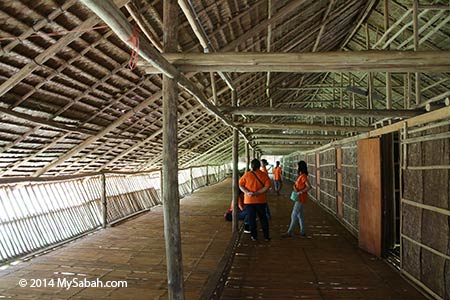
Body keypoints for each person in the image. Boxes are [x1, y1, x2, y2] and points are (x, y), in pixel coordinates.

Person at [239, 159, 271, 241]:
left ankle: (254, 236)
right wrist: (258, 193)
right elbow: (267, 186)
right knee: (263, 218)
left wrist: (247, 192)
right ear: (259, 166)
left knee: (251, 218)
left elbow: (240, 185)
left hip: (249, 201)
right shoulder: (264, 175)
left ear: (251, 166)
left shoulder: (247, 175)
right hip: (261, 200)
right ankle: (266, 236)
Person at [282, 160, 311, 237]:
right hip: (299, 197)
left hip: (300, 198)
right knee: (299, 215)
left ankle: (289, 232)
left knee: (294, 215)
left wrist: (301, 192)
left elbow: (309, 186)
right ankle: (302, 231)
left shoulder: (303, 176)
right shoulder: (301, 176)